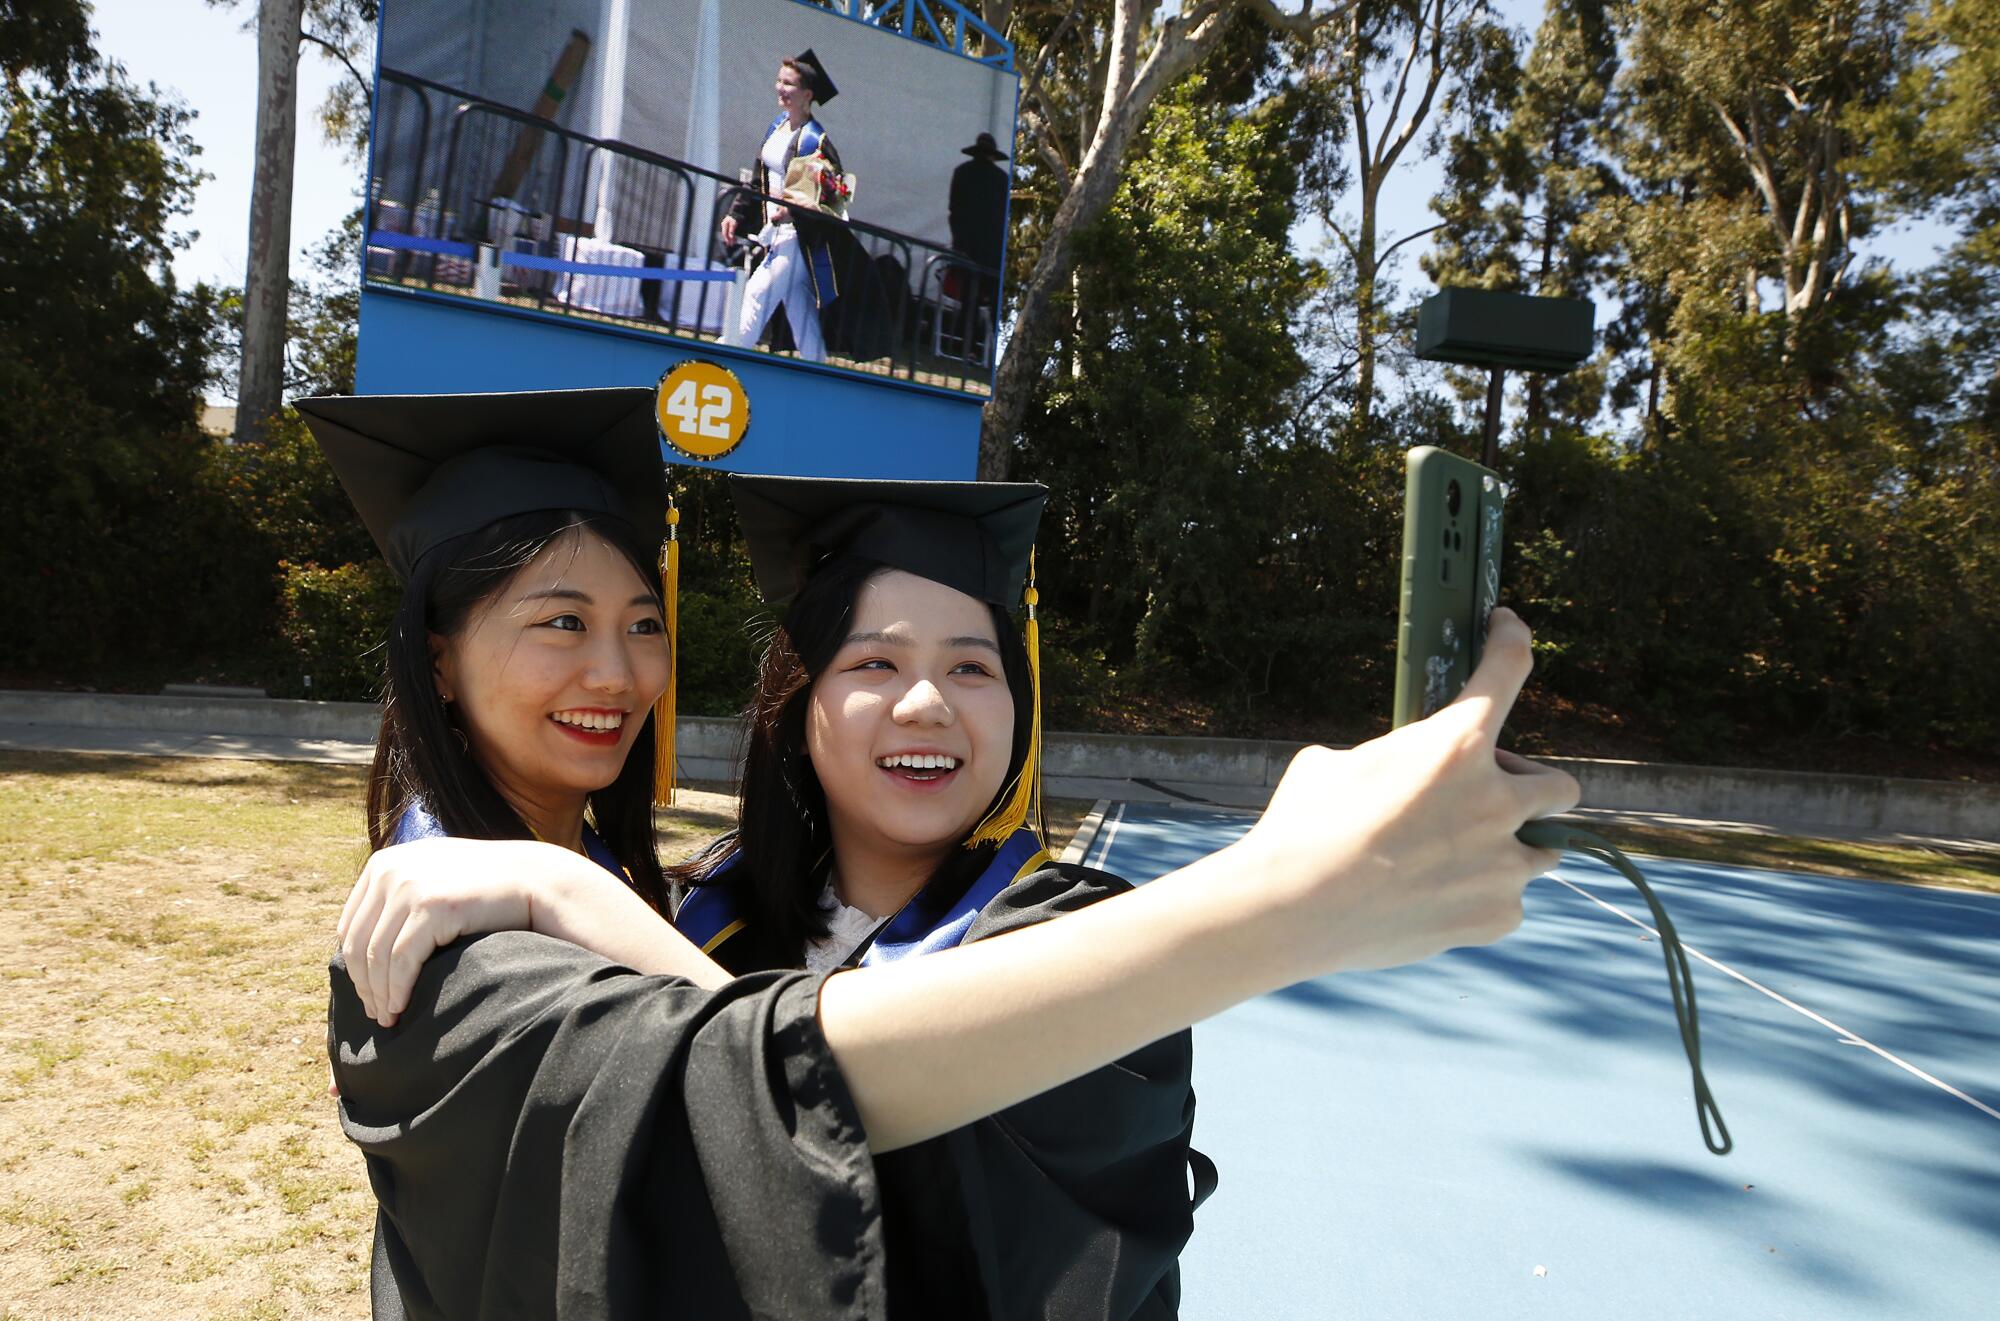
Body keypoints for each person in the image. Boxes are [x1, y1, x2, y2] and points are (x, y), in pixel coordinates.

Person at [311, 389, 1581, 1319]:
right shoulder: (563, 929)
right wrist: (1294, 895)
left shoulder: (1061, 934)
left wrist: (563, 880)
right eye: (872, 665)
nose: (927, 705)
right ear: (795, 707)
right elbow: (730, 1084)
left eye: (972, 667)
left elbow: (790, 1109)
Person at [720, 49, 843, 363]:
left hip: (798, 239)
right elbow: (759, 178)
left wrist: (796, 209)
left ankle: (719, 362)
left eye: (788, 84)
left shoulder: (815, 140)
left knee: (755, 298)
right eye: (779, 81)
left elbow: (832, 195)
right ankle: (822, 379)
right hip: (776, 234)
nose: (780, 88)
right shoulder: (777, 127)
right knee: (801, 315)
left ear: (807, 94)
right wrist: (736, 213)